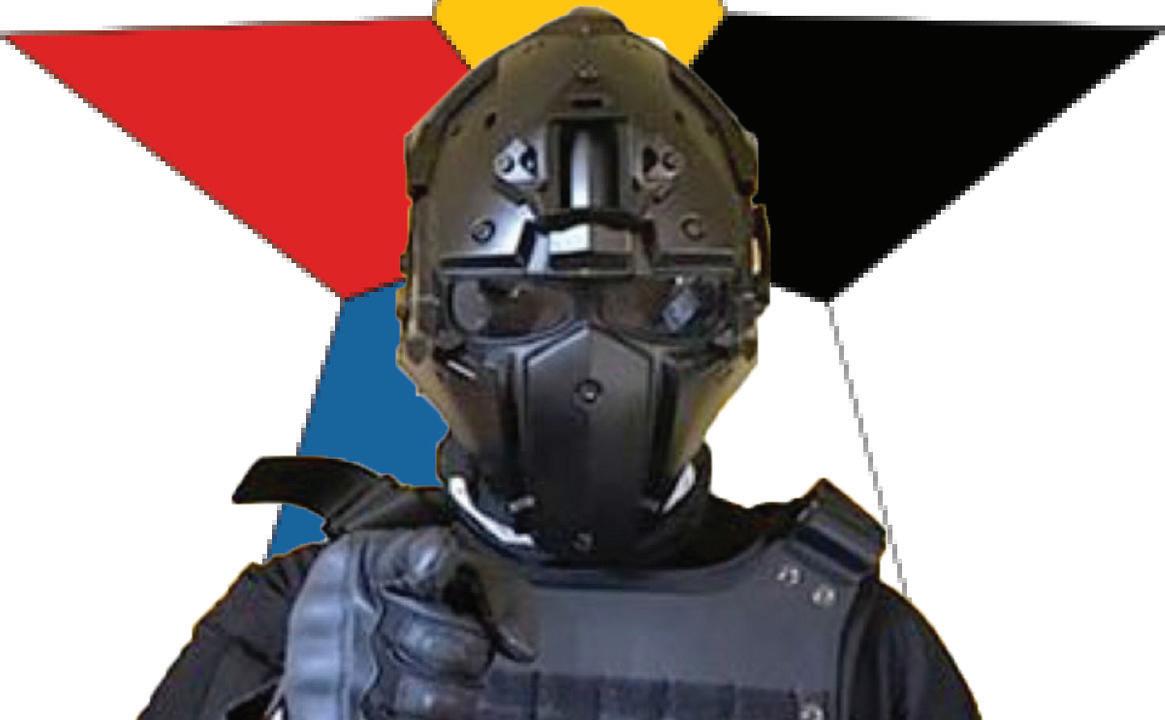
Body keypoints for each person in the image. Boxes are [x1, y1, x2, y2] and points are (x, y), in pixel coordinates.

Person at [141, 9, 979, 720]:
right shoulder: (305, 619)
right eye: (513, 301)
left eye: (656, 301)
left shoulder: (865, 646)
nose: (588, 358)